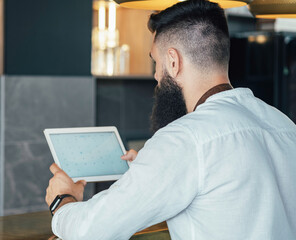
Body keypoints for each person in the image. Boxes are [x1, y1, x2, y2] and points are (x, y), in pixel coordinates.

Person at [45, 0, 296, 239]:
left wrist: (63, 200)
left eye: (156, 62)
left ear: (173, 61)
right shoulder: (284, 124)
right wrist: (150, 167)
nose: (156, 75)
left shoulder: (184, 140)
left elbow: (92, 231)